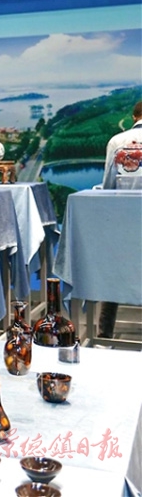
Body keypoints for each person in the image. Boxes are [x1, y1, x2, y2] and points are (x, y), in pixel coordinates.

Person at [98, 100, 142, 339]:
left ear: (134, 117)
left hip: (124, 221)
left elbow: (108, 185)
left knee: (113, 275)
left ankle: (104, 336)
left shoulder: (117, 142)